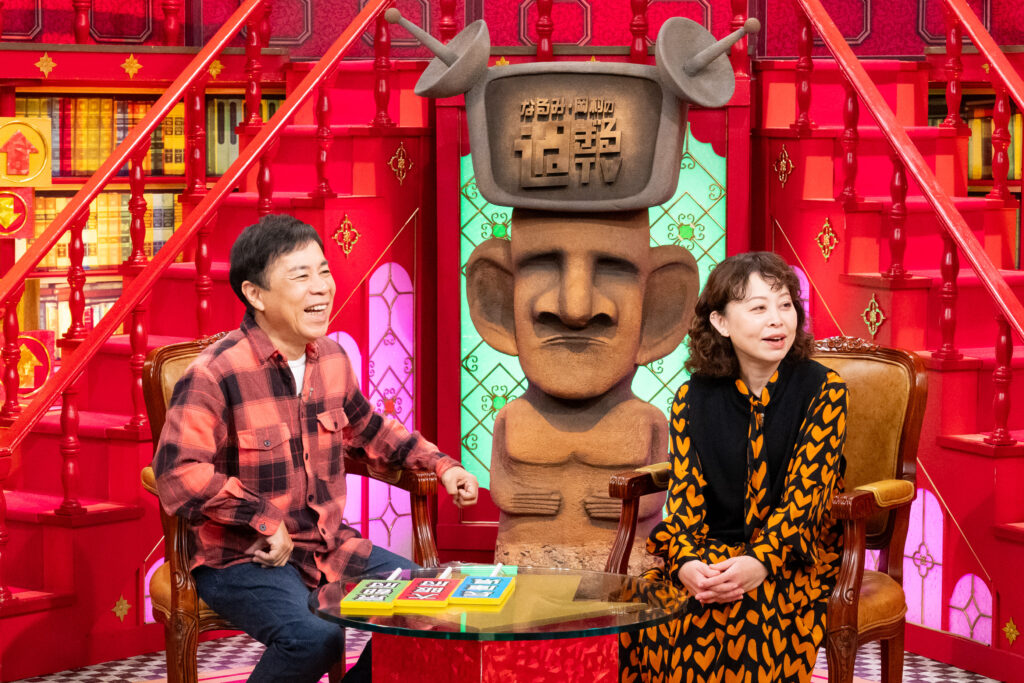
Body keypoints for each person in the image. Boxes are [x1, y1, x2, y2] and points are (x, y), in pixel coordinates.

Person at [153, 214, 479, 683]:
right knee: (314, 637)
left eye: (323, 271)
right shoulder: (214, 373)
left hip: (328, 545)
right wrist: (263, 517)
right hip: (242, 557)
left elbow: (372, 430)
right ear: (255, 294)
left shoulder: (332, 359)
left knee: (433, 608)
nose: (321, 287)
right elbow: (178, 474)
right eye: (301, 275)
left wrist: (443, 466)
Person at [621, 252, 847, 683]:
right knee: (650, 603)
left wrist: (758, 563)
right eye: (759, 308)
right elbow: (685, 499)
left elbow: (805, 500)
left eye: (786, 305)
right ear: (721, 322)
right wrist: (687, 563)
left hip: (793, 555)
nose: (777, 320)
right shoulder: (692, 399)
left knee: (740, 610)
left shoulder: (824, 390)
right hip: (711, 549)